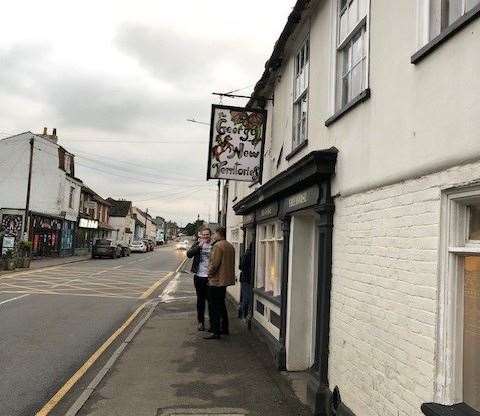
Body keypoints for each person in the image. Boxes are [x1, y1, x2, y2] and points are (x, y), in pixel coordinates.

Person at [204, 227, 235, 340]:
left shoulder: (218, 246)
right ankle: (224, 328)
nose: (213, 236)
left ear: (219, 234)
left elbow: (215, 264)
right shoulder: (229, 245)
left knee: (214, 307)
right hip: (225, 281)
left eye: (214, 234)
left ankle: (215, 331)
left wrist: (209, 274)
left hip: (216, 281)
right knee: (221, 305)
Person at [186, 227, 212, 331]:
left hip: (211, 277)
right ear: (200, 235)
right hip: (199, 277)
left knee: (211, 301)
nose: (205, 236)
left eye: (207, 234)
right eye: (203, 235)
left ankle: (212, 323)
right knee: (200, 301)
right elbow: (189, 254)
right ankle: (200, 322)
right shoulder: (197, 244)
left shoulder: (214, 245)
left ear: (210, 235)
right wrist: (199, 246)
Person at [238, 242, 253, 320]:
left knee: (245, 297)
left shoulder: (246, 254)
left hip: (246, 279)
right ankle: (243, 315)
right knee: (246, 298)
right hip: (246, 279)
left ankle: (242, 314)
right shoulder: (248, 255)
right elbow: (241, 266)